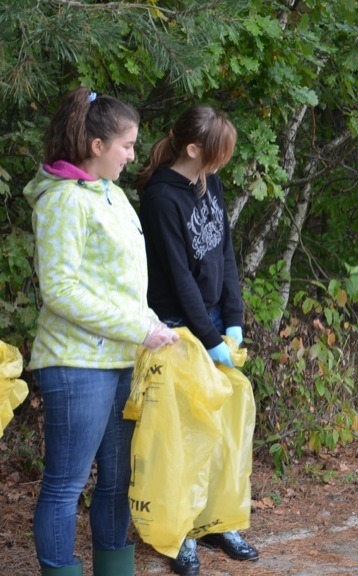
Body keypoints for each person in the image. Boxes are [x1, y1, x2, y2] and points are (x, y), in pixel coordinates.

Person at [24, 87, 178, 576]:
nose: (133, 156)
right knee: (67, 484)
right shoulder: (64, 200)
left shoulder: (112, 196)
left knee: (117, 479)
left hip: (119, 361)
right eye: (127, 146)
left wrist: (150, 322)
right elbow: (61, 291)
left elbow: (120, 285)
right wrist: (138, 325)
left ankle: (115, 569)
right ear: (96, 146)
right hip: (75, 365)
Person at [135, 105, 258, 576]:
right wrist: (207, 338)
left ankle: (214, 520)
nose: (222, 163)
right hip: (176, 328)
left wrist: (232, 318)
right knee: (182, 436)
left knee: (221, 429)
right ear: (193, 149)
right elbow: (179, 276)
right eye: (217, 153)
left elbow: (224, 249)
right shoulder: (162, 197)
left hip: (209, 321)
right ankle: (180, 532)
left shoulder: (209, 180)